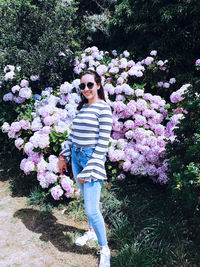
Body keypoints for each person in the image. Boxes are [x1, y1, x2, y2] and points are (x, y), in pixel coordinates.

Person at [58, 70, 113, 267]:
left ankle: (104, 248)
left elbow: (102, 144)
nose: (86, 89)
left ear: (98, 85)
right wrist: (63, 155)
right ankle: (91, 232)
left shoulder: (104, 109)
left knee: (91, 209)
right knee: (86, 201)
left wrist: (89, 170)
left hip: (92, 160)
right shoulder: (82, 109)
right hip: (76, 158)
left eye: (90, 84)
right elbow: (73, 136)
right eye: (82, 86)